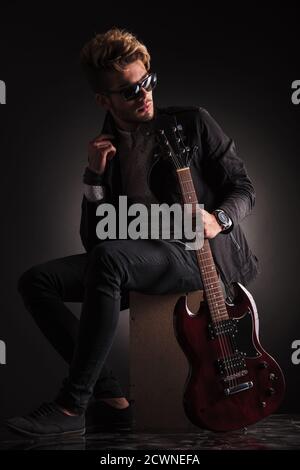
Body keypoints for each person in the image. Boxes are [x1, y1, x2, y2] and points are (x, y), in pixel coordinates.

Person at [6, 28, 259, 437]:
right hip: (133, 256)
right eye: (128, 91)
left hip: (196, 254)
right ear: (103, 100)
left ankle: (72, 406)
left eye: (147, 82)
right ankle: (112, 399)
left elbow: (244, 187)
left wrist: (221, 219)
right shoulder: (105, 148)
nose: (143, 94)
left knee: (109, 261)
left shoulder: (191, 123)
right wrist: (94, 176)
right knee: (37, 282)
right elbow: (96, 242)